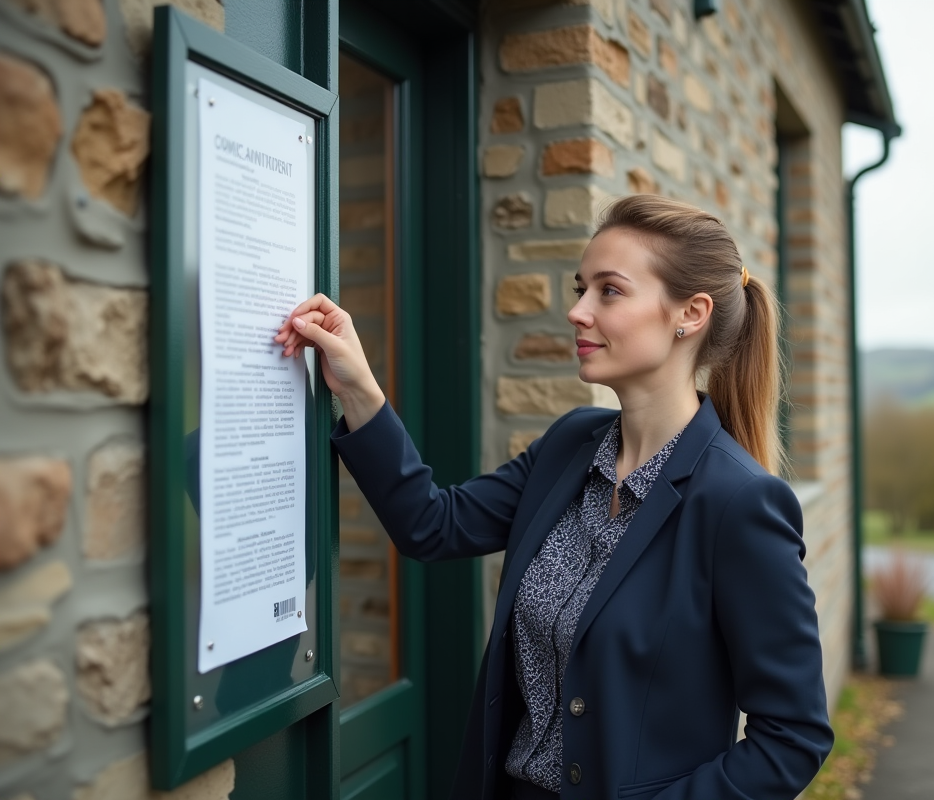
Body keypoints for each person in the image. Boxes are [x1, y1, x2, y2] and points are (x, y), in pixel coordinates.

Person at [275, 195, 834, 800]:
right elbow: (431, 524)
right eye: (580, 288)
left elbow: (792, 738)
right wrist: (358, 388)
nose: (577, 311)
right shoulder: (571, 443)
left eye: (609, 291)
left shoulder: (741, 504)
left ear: (690, 314)